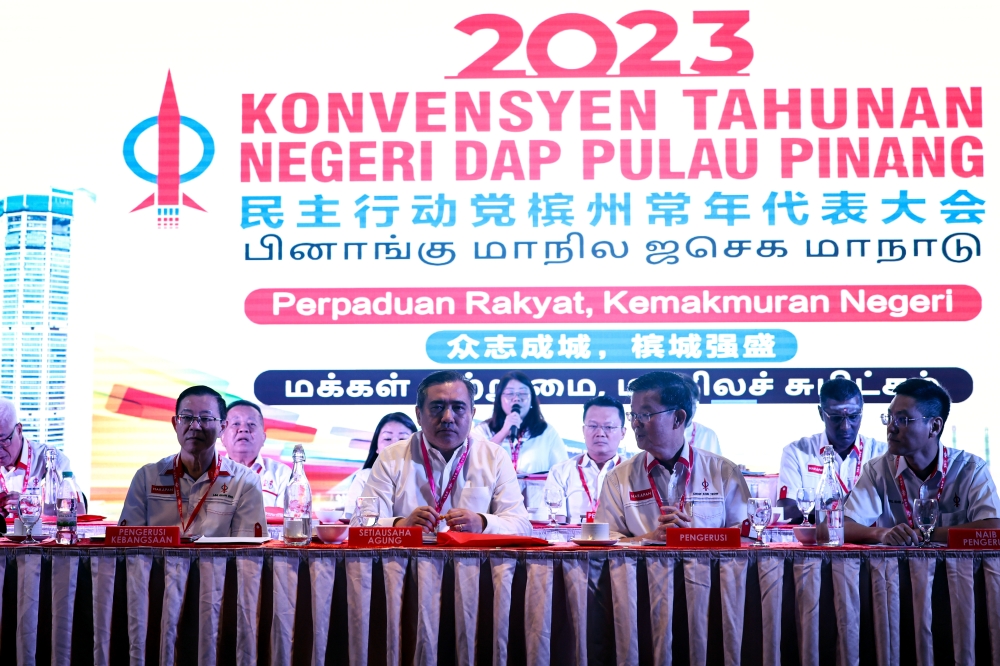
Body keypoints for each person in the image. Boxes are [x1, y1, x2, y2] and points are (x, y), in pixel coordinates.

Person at [362, 370, 531, 535]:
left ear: (472, 414)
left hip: (473, 562)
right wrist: (401, 525)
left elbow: (522, 525)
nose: (448, 417)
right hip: (410, 562)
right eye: (437, 407)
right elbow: (362, 524)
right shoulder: (391, 457)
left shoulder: (495, 457)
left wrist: (482, 523)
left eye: (458, 407)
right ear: (419, 415)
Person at [597, 371, 751, 542]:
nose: (635, 423)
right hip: (643, 569)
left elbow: (747, 538)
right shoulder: (618, 478)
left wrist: (692, 539)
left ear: (678, 418)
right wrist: (650, 539)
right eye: (633, 415)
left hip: (706, 569)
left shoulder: (723, 472)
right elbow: (606, 543)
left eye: (645, 415)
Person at [845, 378, 1000, 545]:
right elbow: (842, 527)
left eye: (902, 419)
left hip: (953, 570)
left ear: (934, 427)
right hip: (897, 570)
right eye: (889, 417)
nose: (891, 427)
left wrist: (925, 534)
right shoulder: (878, 470)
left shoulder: (970, 469)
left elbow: (993, 528)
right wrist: (883, 534)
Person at [119, 386, 267, 537]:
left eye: (205, 419)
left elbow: (248, 551)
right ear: (175, 424)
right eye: (187, 418)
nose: (195, 426)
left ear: (222, 427)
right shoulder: (146, 478)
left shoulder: (245, 481)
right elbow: (126, 544)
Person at [779, 378, 887, 503]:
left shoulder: (882, 453)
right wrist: (841, 506)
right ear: (821, 414)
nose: (845, 426)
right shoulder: (797, 452)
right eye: (836, 417)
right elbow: (787, 508)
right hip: (819, 524)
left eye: (853, 417)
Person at [544, 396, 626, 522]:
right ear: (583, 430)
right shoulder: (560, 472)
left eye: (609, 427)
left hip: (622, 540)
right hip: (573, 541)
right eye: (593, 426)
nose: (600, 433)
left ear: (623, 433)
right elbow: (556, 523)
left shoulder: (634, 471)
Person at [472, 371, 568, 474]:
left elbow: (564, 471)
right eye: (509, 394)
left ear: (532, 399)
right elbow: (473, 465)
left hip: (534, 489)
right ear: (499, 399)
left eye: (523, 393)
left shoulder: (547, 432)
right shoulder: (483, 430)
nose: (516, 399)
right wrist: (503, 432)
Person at [0, 397, 77, 524]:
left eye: (3, 441)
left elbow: (80, 511)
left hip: (40, 541)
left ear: (19, 430)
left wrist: (31, 506)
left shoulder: (51, 459)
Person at [342, 412, 416, 518]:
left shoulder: (426, 476)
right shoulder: (363, 477)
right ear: (376, 447)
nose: (394, 445)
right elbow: (352, 517)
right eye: (387, 439)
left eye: (402, 439)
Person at [221, 400, 291, 508]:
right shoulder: (209, 473)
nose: (243, 429)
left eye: (251, 424)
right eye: (236, 424)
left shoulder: (281, 474)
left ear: (263, 438)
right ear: (222, 437)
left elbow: (287, 519)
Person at [680, 374, 723, 455]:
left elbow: (716, 467)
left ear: (696, 405)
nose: (686, 410)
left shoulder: (708, 435)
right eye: (681, 404)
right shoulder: (656, 434)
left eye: (691, 404)